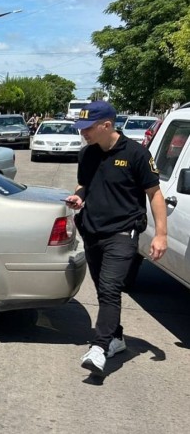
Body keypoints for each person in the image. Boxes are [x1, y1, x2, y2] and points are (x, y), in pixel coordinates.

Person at [64, 101, 167, 376]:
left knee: (110, 288)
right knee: (103, 289)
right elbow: (85, 185)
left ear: (106, 125)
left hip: (123, 232)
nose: (83, 133)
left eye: (88, 128)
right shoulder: (87, 154)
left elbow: (154, 194)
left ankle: (99, 347)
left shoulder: (136, 154)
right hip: (93, 231)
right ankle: (116, 338)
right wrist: (79, 197)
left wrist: (161, 234)